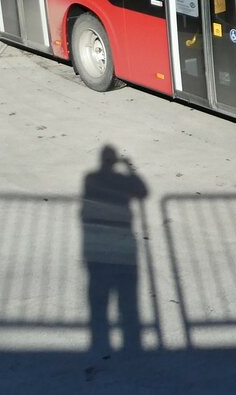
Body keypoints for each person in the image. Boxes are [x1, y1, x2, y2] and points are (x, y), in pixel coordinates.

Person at [81, 145, 148, 354]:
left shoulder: (90, 178)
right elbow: (142, 191)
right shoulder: (122, 181)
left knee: (97, 297)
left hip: (95, 244)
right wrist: (130, 169)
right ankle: (132, 346)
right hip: (123, 241)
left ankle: (98, 342)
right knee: (128, 298)